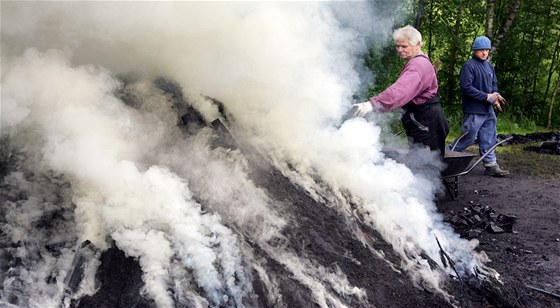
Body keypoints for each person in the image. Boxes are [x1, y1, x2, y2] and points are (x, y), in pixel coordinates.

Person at [353, 25, 449, 158]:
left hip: (426, 122)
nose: (399, 50)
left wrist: (372, 104)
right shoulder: (418, 61)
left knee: (426, 167)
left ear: (418, 44)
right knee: (423, 163)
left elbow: (400, 91)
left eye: (404, 46)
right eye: (397, 46)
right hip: (425, 120)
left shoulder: (418, 66)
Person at [451, 36, 509, 177]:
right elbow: (466, 87)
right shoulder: (468, 66)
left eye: (487, 50)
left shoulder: (489, 66)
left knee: (489, 137)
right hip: (473, 110)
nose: (484, 53)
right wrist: (486, 97)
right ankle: (446, 158)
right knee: (468, 138)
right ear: (475, 50)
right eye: (481, 50)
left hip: (488, 110)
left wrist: (495, 96)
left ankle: (491, 165)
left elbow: (493, 84)